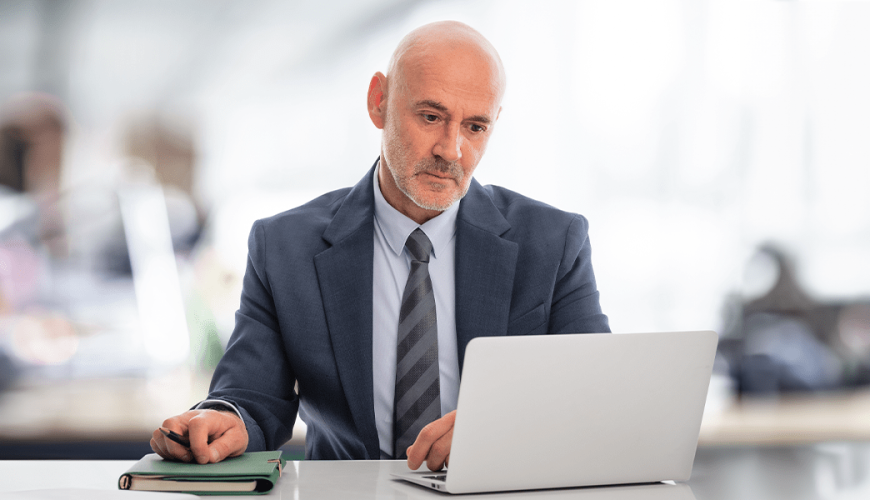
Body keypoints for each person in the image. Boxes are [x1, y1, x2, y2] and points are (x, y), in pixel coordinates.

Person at [151, 20, 609, 472]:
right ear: (379, 103)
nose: (451, 150)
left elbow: (596, 397)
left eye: (474, 127)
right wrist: (221, 420)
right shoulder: (284, 247)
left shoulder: (553, 243)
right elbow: (252, 397)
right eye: (431, 117)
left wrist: (503, 430)